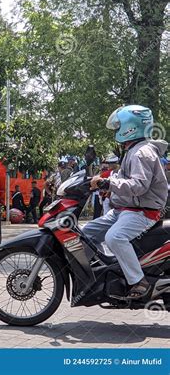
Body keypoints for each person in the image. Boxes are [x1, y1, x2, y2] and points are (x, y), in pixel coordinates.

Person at [83, 105, 168, 300]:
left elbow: (138, 186)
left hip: (143, 212)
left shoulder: (141, 153)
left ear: (130, 127)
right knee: (86, 233)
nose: (116, 129)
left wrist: (108, 182)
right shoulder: (133, 150)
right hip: (125, 209)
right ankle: (101, 273)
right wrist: (104, 184)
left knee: (115, 237)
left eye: (119, 125)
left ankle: (139, 281)